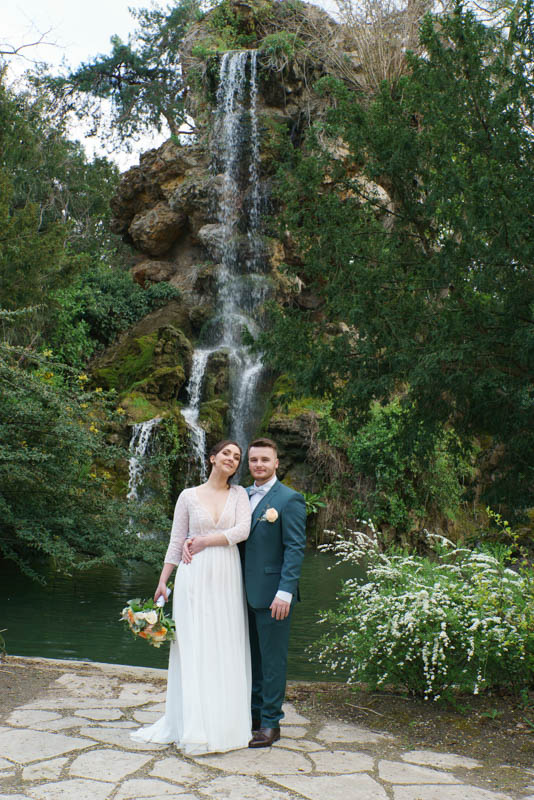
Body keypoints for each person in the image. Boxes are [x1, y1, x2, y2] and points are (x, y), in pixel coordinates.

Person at [131, 439, 252, 755]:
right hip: (193, 576)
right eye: (226, 453)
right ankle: (192, 723)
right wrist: (163, 582)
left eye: (237, 457)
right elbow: (175, 541)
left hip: (226, 574)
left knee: (224, 643)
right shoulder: (188, 496)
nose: (232, 459)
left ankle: (224, 723)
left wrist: (203, 542)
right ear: (212, 458)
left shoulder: (239, 495)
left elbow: (243, 531)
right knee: (193, 645)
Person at [242, 437, 307, 748]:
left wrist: (286, 591)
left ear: (276, 463)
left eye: (265, 460)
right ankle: (253, 716)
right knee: (251, 659)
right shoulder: (241, 495)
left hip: (273, 596)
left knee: (273, 661)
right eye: (254, 460)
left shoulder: (289, 500)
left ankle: (271, 723)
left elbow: (295, 548)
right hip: (240, 592)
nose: (259, 465)